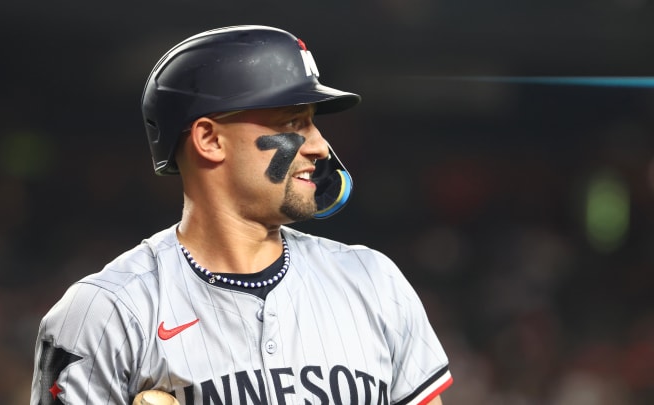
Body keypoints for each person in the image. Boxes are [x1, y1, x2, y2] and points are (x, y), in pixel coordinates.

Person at [31, 25, 453, 405]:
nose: (320, 146)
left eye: (313, 123)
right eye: (294, 122)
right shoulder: (105, 312)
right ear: (210, 139)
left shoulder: (374, 282)